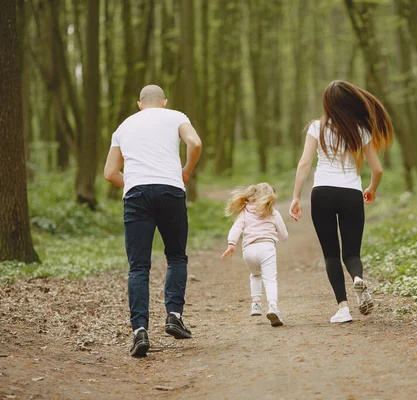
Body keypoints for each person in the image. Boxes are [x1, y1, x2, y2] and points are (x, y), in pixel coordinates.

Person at [103, 85, 202, 357]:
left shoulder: (124, 126)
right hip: (171, 189)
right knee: (176, 257)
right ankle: (173, 316)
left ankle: (140, 332)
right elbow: (195, 143)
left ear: (139, 104)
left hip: (136, 195)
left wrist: (133, 182)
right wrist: (185, 171)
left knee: (138, 267)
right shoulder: (176, 116)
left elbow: (110, 172)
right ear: (164, 102)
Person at [289, 80, 393, 324]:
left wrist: (296, 196)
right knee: (352, 253)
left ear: (327, 103)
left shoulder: (317, 127)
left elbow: (304, 164)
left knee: (331, 255)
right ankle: (357, 278)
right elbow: (377, 169)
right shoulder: (360, 130)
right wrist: (371, 189)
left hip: (322, 193)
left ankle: (343, 308)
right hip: (350, 194)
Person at [221, 183, 288, 327]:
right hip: (267, 248)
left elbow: (236, 227)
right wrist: (280, 236)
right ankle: (273, 307)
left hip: (249, 251)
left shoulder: (245, 211)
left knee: (255, 275)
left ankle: (256, 304)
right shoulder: (274, 213)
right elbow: (283, 235)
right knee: (270, 280)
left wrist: (231, 243)